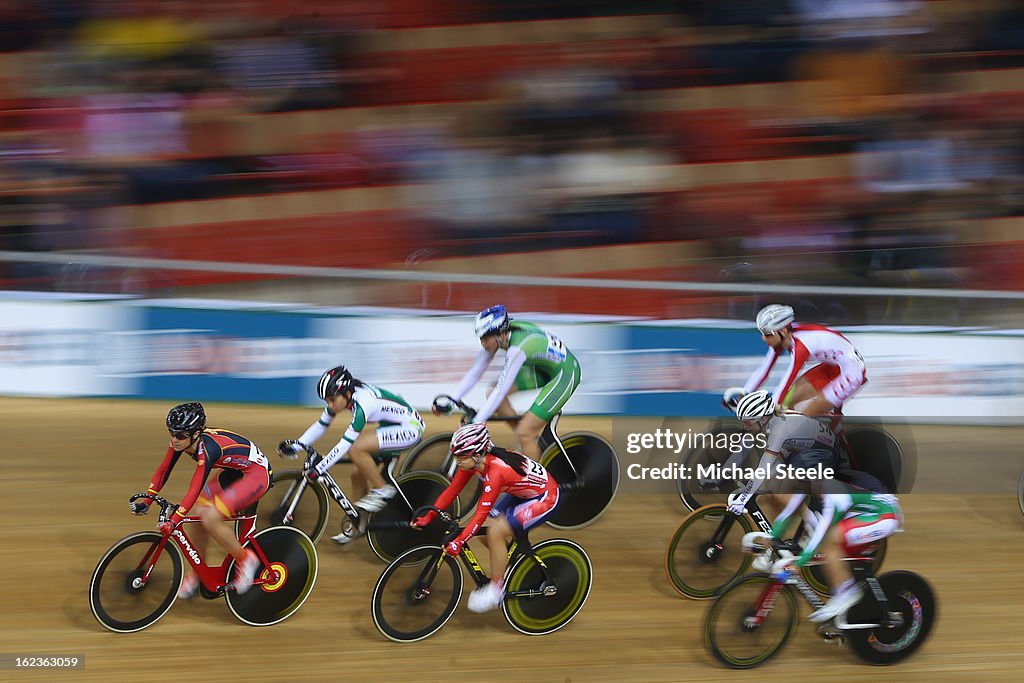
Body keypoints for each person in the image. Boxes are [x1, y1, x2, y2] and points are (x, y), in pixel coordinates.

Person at [412, 423, 559, 614]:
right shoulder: (474, 461)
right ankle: (510, 566)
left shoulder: (495, 471)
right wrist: (429, 515)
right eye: (456, 456)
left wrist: (460, 540)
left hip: (545, 498)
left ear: (477, 455)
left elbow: (480, 513)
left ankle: (497, 590)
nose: (458, 462)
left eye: (461, 457)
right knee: (485, 534)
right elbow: (452, 490)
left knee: (495, 531)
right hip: (524, 493)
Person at [131, 402, 270, 599]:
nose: (175, 439)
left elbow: (195, 487)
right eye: (171, 433)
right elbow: (163, 471)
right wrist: (148, 500)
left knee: (210, 517)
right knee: (198, 515)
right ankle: (198, 572)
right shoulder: (183, 440)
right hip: (233, 472)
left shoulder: (208, 449)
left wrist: (176, 519)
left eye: (180, 435)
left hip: (255, 474)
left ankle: (247, 559)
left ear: (196, 433)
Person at [278, 365, 425, 544]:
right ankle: (357, 526)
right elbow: (321, 425)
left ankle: (383, 490)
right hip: (391, 426)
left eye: (332, 399)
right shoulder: (346, 397)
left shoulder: (363, 403)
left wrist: (320, 468)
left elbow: (344, 445)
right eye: (327, 401)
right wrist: (297, 445)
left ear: (346, 393)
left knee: (355, 448)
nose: (330, 405)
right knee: (357, 475)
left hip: (409, 429)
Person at [435, 304, 582, 461]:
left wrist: (477, 422)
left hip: (565, 374)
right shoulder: (502, 336)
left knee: (526, 432)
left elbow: (502, 389)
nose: (482, 343)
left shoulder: (517, 349)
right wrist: (452, 401)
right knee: (492, 394)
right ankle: (527, 441)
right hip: (541, 368)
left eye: (485, 338)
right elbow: (475, 372)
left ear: (499, 334)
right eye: (480, 338)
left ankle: (536, 480)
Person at [724, 389, 846, 569]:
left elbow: (765, 464)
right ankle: (774, 545)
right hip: (806, 450)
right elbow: (772, 463)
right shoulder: (770, 424)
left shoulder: (778, 427)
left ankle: (815, 525)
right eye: (743, 422)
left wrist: (744, 498)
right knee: (772, 491)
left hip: (823, 453)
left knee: (782, 490)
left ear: (762, 418)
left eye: (749, 422)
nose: (745, 426)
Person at [765, 480, 903, 623]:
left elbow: (822, 535)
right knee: (832, 541)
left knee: (831, 540)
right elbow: (789, 512)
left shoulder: (835, 496)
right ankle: (843, 603)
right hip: (866, 512)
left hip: (886, 517)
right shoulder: (813, 485)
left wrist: (799, 563)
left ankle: (846, 593)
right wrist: (771, 537)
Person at [742, 304, 867, 417]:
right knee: (787, 402)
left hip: (852, 373)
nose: (763, 338)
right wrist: (744, 394)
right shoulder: (782, 339)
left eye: (768, 334)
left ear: (783, 331)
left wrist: (774, 404)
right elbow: (764, 369)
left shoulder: (801, 346)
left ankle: (834, 437)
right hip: (832, 367)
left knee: (806, 415)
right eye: (762, 333)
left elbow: (788, 377)